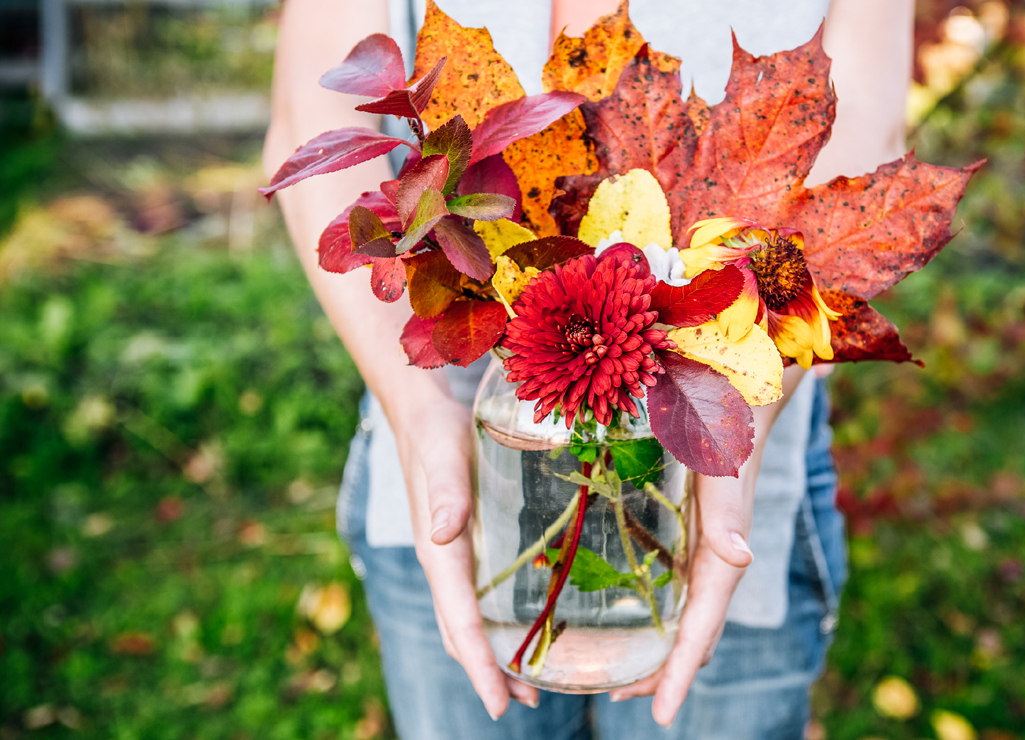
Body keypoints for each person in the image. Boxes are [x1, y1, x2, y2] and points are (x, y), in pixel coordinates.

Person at [263, 0, 912, 737]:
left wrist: (737, 422)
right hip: (452, 491)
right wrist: (417, 422)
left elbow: (864, 122)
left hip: (732, 512)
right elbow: (303, 117)